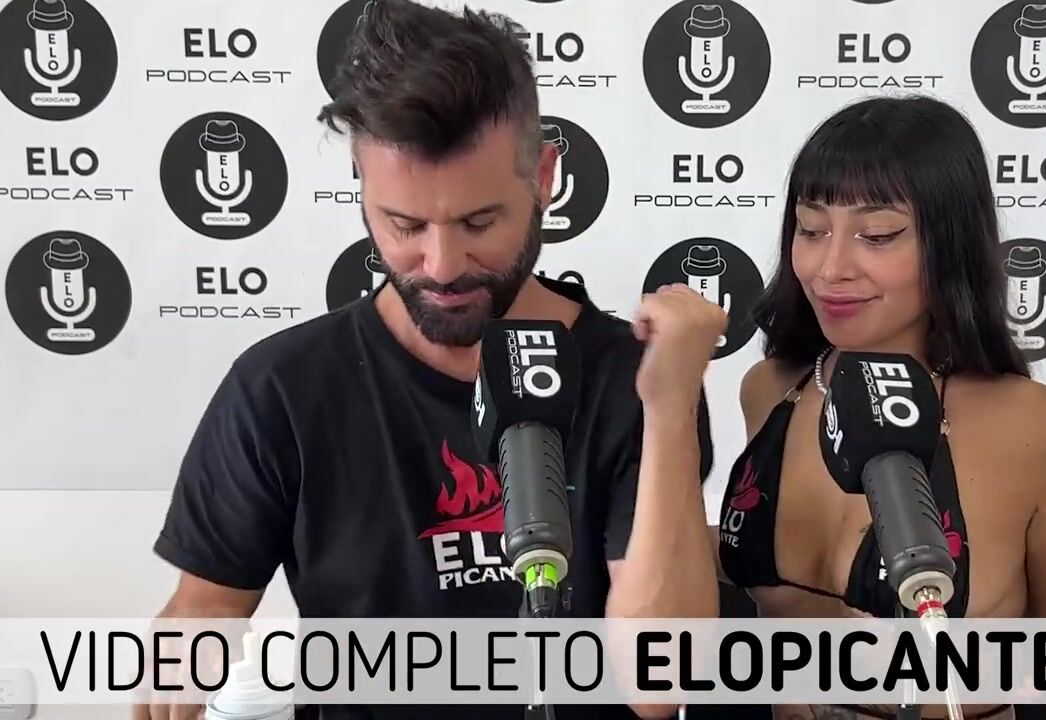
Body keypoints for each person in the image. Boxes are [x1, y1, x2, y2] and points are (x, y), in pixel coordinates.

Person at [138, 2, 723, 718]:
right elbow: (204, 609)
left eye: (479, 222)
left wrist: (669, 402)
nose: (442, 265)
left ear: (543, 177)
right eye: (405, 224)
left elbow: (661, 683)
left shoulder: (635, 379)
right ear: (361, 182)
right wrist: (181, 663)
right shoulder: (282, 388)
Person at [711, 95, 1046, 720]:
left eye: (877, 235)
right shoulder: (769, 389)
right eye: (811, 230)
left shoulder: (1039, 426)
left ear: (950, 242)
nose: (830, 268)